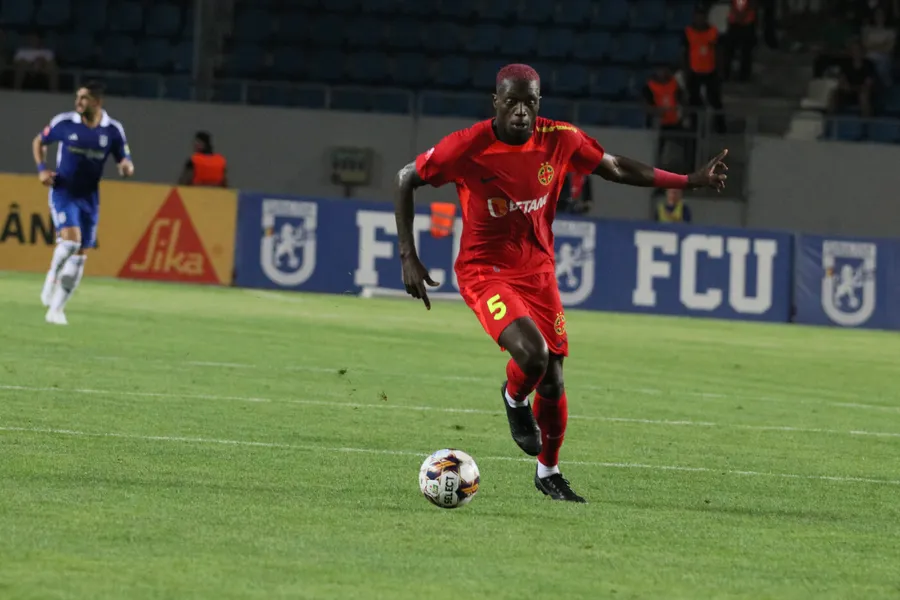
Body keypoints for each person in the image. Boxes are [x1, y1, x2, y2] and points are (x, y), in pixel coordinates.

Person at [393, 64, 727, 503]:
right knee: (533, 355)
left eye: (529, 102)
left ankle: (548, 472)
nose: (520, 111)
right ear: (495, 103)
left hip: (537, 271)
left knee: (553, 379)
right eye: (511, 102)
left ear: (538, 104)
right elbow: (406, 178)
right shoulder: (467, 146)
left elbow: (614, 167)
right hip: (484, 270)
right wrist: (408, 254)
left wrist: (689, 181)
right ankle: (514, 399)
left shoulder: (560, 139)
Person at [32, 81, 135, 325]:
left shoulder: (112, 130)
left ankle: (56, 310)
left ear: (97, 102)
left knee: (79, 257)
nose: (78, 102)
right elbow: (39, 142)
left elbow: (124, 158)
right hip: (63, 191)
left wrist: (126, 167)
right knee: (70, 242)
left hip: (89, 198)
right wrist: (42, 170)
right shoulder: (65, 123)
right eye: (77, 97)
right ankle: (52, 275)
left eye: (84, 98)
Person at [683, 7, 726, 133]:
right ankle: (694, 126)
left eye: (701, 17)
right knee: (693, 100)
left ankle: (721, 126)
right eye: (697, 17)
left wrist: (720, 70)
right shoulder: (688, 32)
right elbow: (684, 53)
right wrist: (686, 71)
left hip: (710, 71)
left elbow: (719, 52)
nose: (699, 20)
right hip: (694, 72)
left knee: (715, 100)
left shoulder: (713, 32)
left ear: (705, 18)